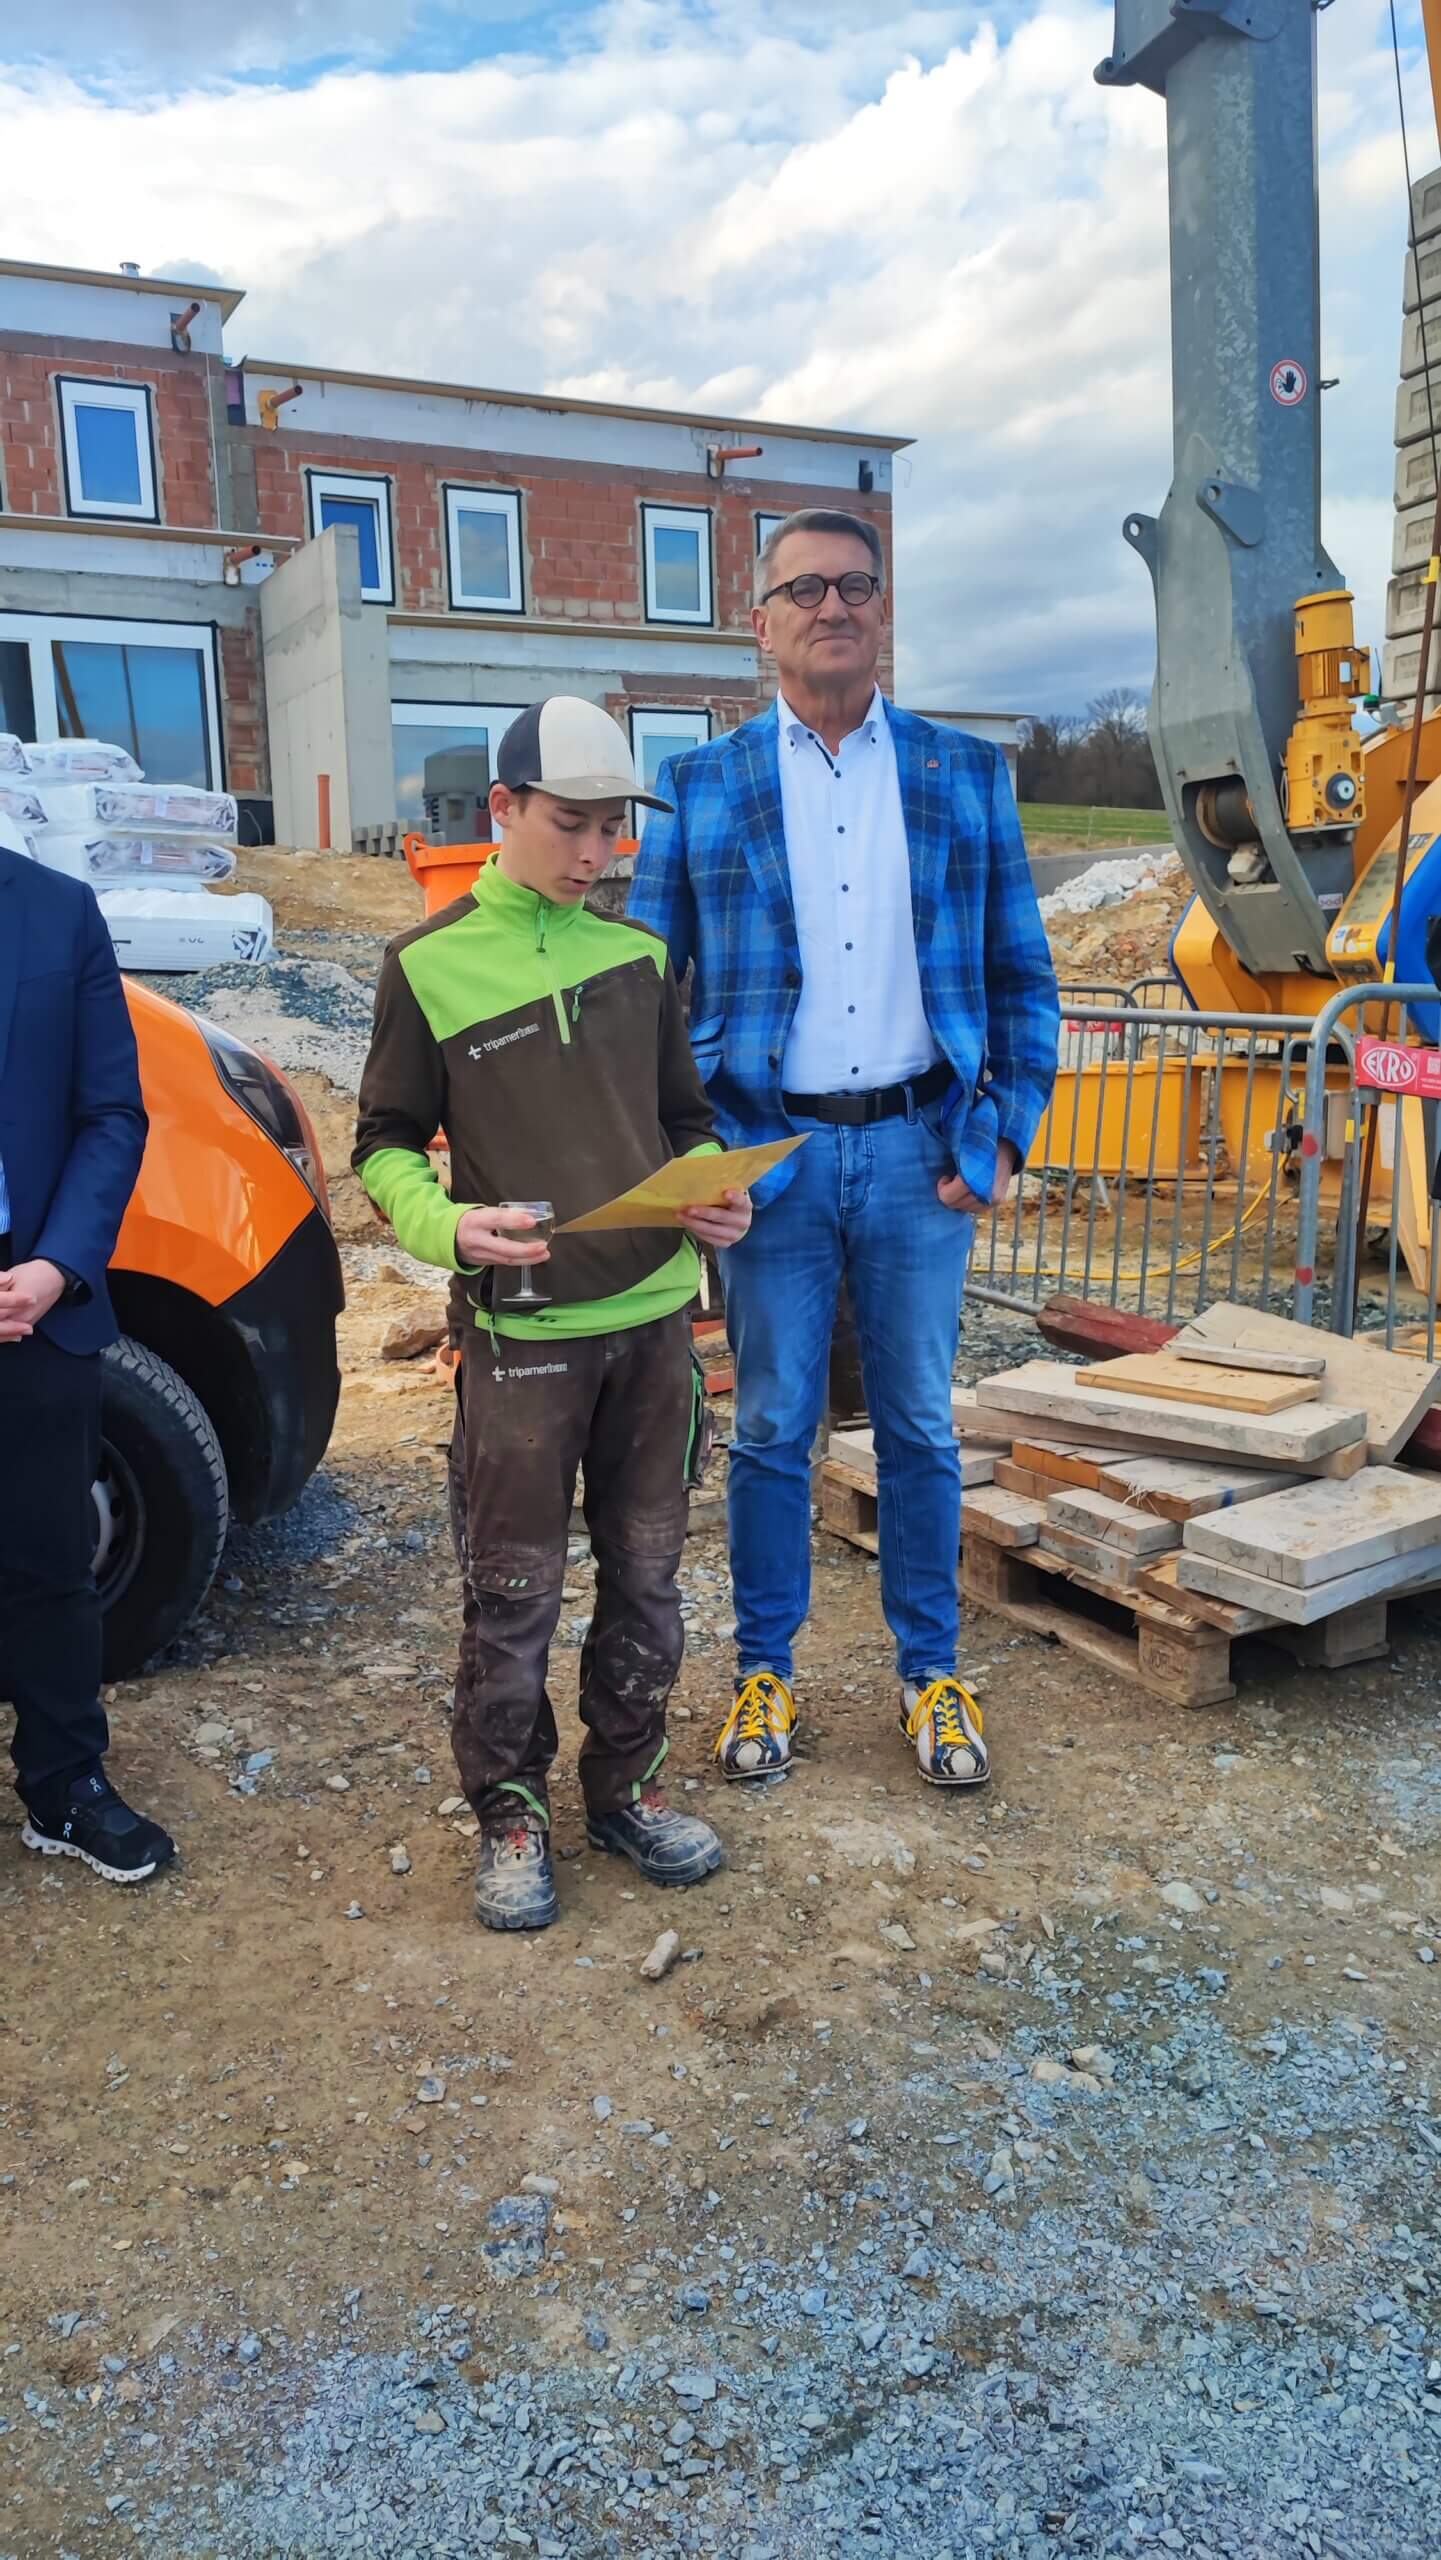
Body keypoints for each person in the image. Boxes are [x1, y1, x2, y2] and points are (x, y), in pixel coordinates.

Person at [629, 509, 1059, 1796]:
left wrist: (1004, 1134)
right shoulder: (701, 786)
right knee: (770, 1427)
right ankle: (765, 1668)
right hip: (770, 1160)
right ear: (759, 624)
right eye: (805, 589)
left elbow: (1022, 975)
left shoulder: (960, 773)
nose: (833, 606)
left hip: (923, 1152)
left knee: (919, 1424)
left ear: (883, 613)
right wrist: (688, 1160)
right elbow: (648, 995)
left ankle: (931, 1670)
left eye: (856, 586)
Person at [354, 697, 751, 1931]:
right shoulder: (427, 964)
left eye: (612, 828)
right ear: (504, 809)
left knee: (649, 1580)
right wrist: (443, 1228)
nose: (595, 853)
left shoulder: (640, 960)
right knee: (514, 1589)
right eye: (571, 824)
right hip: (520, 1338)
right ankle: (511, 1810)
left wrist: (715, 1190)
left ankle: (625, 1789)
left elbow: (683, 1121)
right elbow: (382, 1143)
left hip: (654, 1335)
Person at [0, 821, 171, 1883]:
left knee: (50, 1559)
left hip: (34, 1292)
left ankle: (65, 1783)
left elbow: (112, 1113)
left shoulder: (58, 912)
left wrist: (58, 1264)